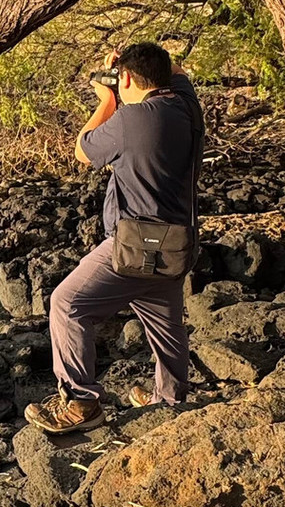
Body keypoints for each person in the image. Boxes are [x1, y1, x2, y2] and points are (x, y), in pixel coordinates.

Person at [25, 42, 203, 433]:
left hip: (132, 245)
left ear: (124, 78)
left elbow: (82, 151)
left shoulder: (130, 120)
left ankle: (80, 404)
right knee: (165, 323)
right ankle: (170, 400)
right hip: (177, 242)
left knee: (67, 303)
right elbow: (180, 75)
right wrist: (131, 68)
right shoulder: (187, 106)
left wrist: (106, 99)